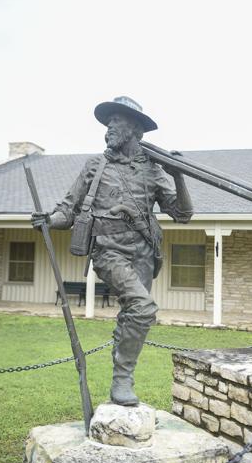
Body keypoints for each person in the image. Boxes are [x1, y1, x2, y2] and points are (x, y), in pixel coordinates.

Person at [32, 96, 193, 406]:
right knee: (143, 306)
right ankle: (123, 379)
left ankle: (121, 374)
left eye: (116, 122)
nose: (108, 128)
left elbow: (182, 214)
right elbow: (68, 209)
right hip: (108, 251)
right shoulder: (95, 165)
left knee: (132, 314)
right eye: (108, 123)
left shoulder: (153, 169)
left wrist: (179, 175)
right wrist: (49, 220)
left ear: (133, 128)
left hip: (145, 251)